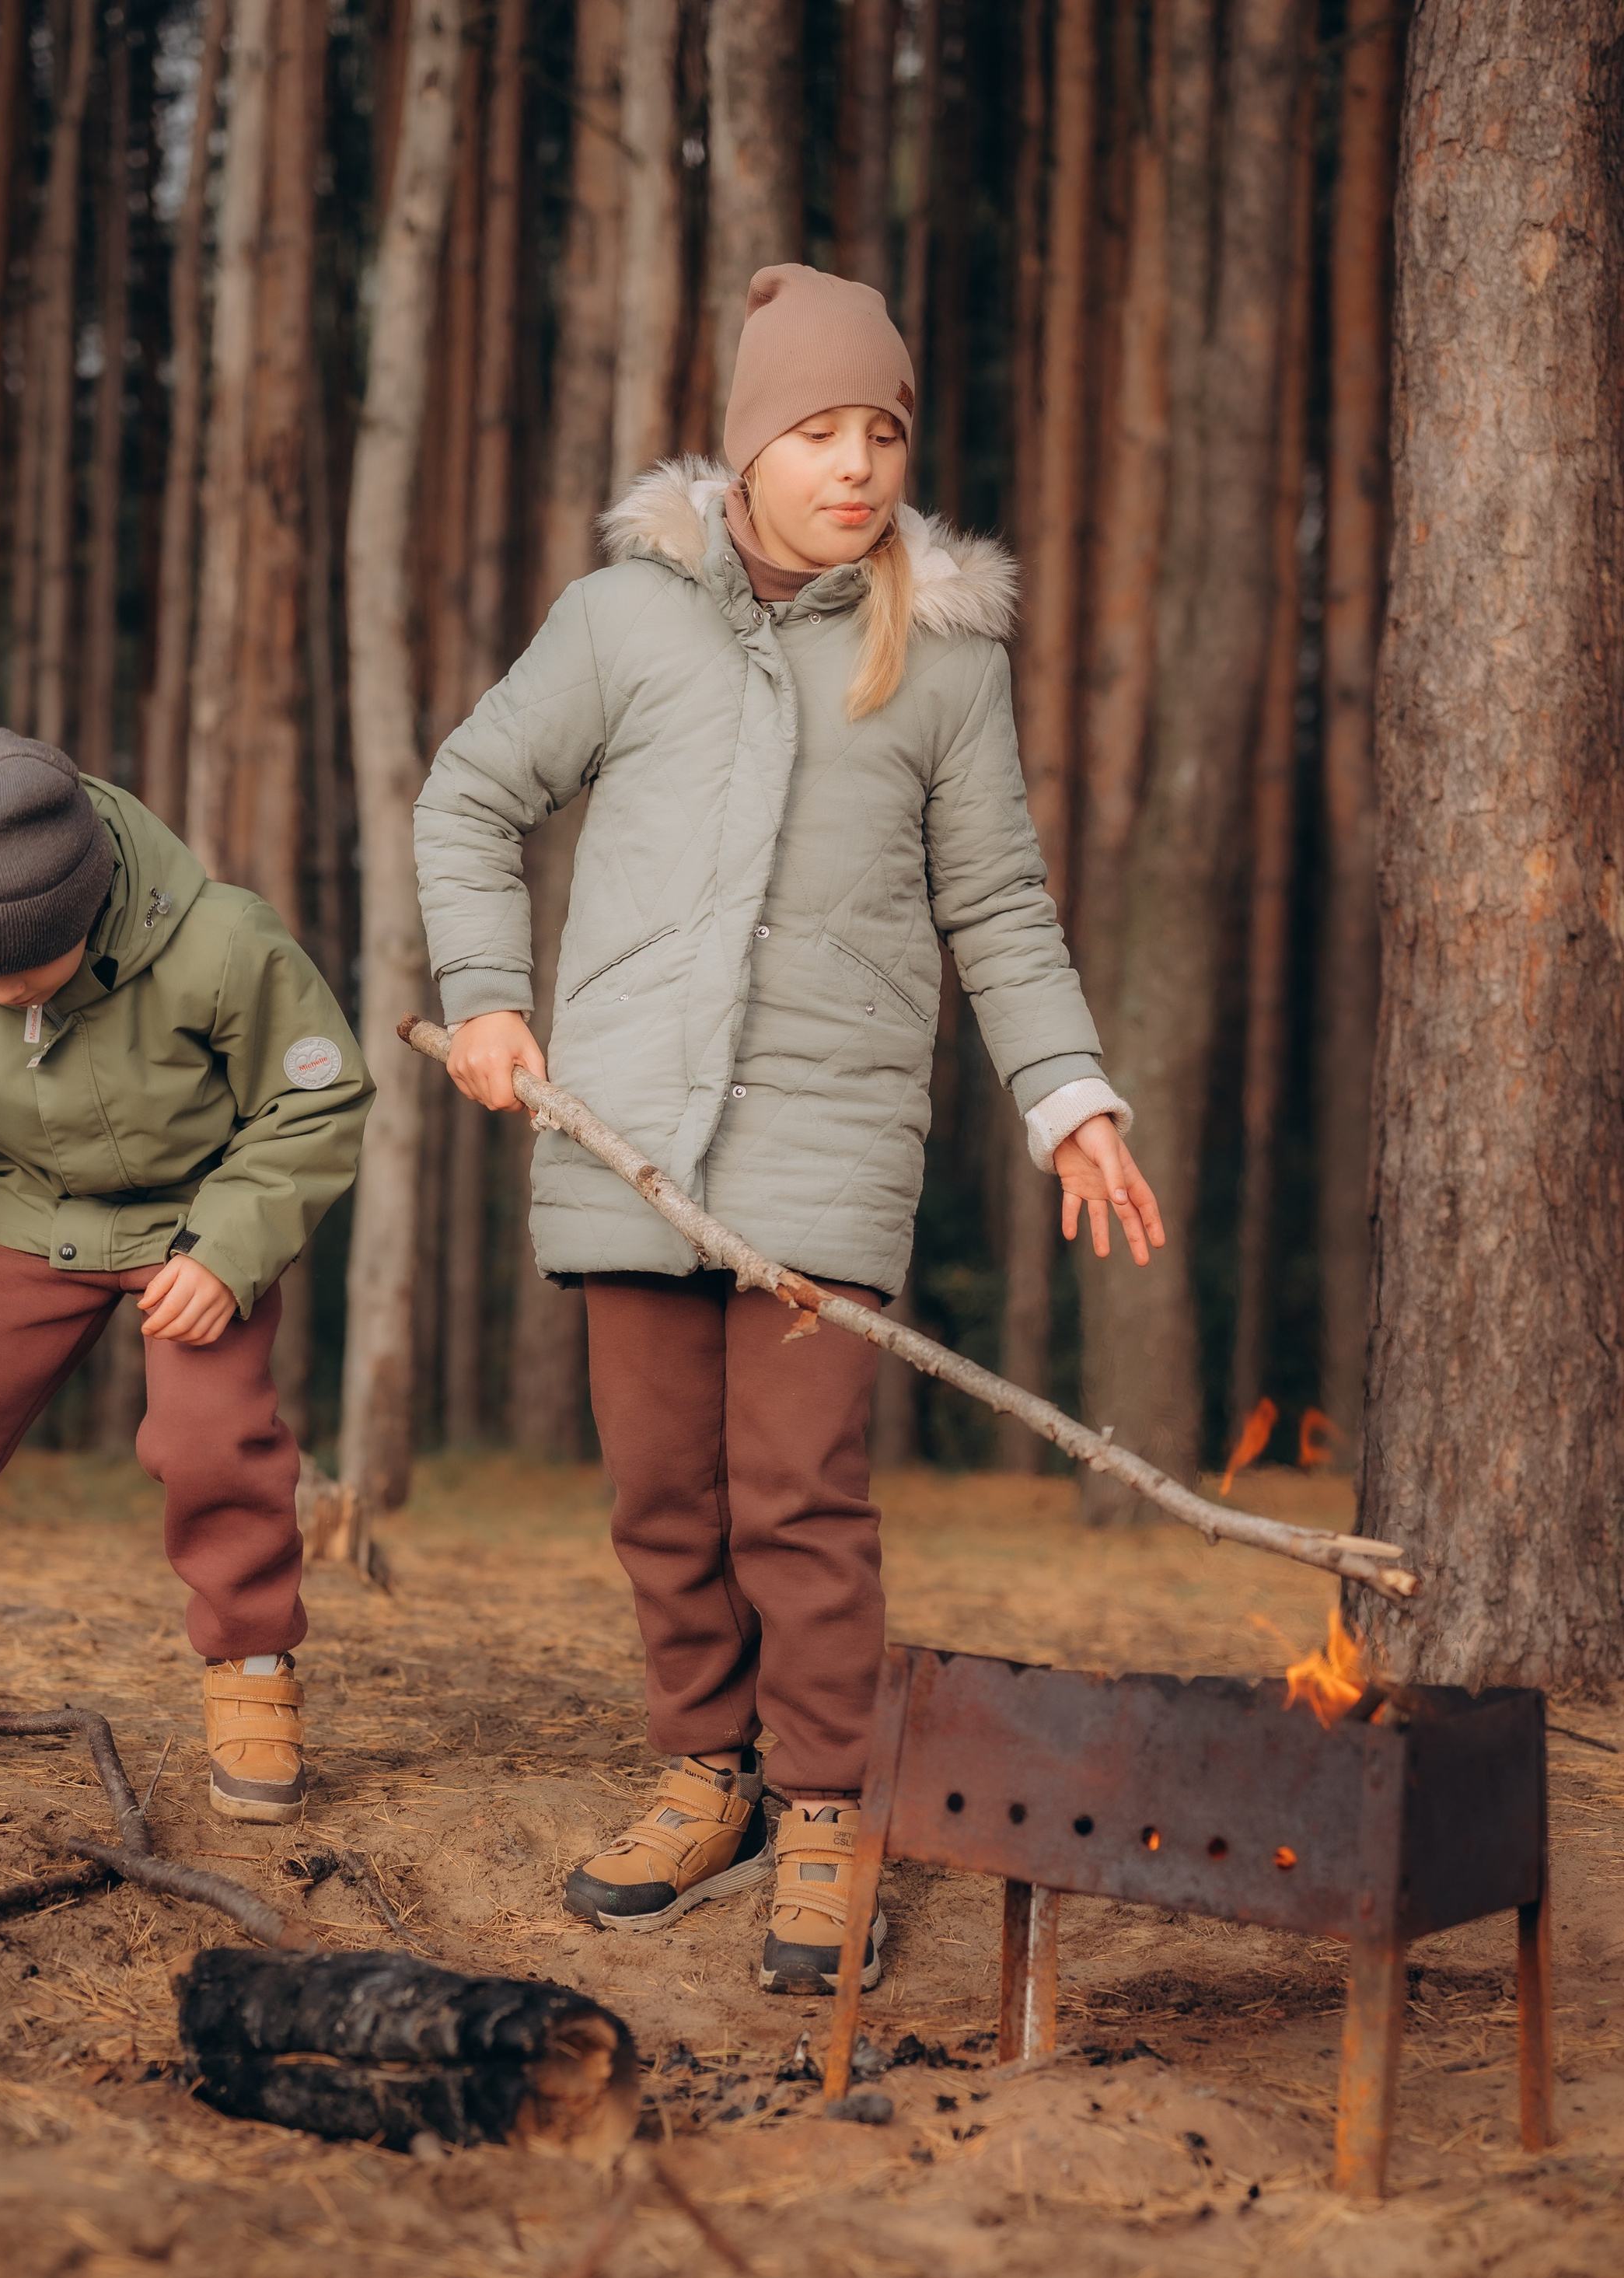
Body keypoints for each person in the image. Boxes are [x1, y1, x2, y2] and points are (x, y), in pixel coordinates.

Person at [416, 263, 1164, 1993]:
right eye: (817, 430)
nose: (853, 465)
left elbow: (1000, 908)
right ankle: (711, 1775)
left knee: (799, 1498)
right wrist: (482, 991)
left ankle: (828, 1803)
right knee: (663, 1498)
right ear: (746, 445)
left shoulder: (941, 663)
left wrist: (1065, 1098)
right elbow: (469, 796)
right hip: (627, 1139)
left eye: (880, 434)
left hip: (827, 1148)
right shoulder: (622, 620)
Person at [0, 727, 371, 1822]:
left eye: (19, 969)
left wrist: (228, 1249)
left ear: (85, 906)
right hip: (34, 1217)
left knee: (212, 1440)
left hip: (197, 1226)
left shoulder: (227, 943)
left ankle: (252, 1666)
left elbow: (312, 1101)